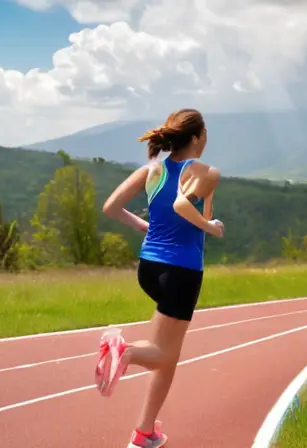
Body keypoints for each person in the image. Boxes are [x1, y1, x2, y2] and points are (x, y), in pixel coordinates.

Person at [96, 108, 224, 448]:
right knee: (164, 354)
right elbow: (184, 207)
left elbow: (110, 208)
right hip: (181, 271)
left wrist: (142, 225)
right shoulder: (207, 171)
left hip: (148, 268)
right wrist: (210, 227)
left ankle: (144, 432)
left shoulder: (153, 170)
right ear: (196, 137)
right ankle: (121, 350)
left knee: (166, 353)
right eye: (205, 133)